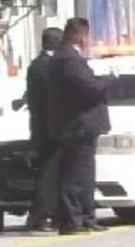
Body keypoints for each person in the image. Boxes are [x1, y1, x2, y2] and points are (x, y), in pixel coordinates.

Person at [47, 17, 116, 235]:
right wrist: (110, 80)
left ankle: (87, 218)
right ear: (77, 35)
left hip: (83, 126)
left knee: (85, 175)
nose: (87, 40)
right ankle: (71, 221)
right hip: (76, 125)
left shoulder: (71, 57)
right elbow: (89, 87)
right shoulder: (68, 58)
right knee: (73, 176)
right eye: (85, 35)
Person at [23, 26, 62, 232]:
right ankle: (39, 217)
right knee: (49, 174)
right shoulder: (45, 66)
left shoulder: (39, 64)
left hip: (44, 126)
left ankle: (49, 215)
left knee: (52, 173)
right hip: (47, 128)